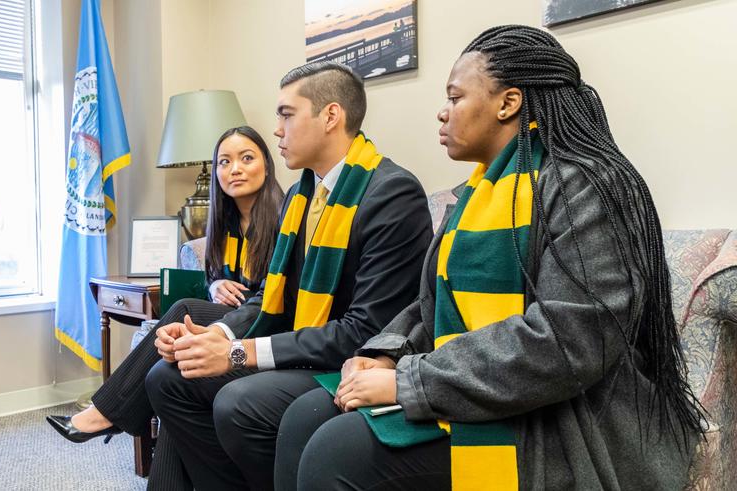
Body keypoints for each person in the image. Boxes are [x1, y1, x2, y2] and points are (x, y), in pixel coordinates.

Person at [275, 25, 705, 490]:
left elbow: (568, 341)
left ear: (508, 103)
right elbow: (432, 304)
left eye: (456, 98)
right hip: (480, 385)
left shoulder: (587, 185)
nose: (442, 112)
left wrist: (410, 380)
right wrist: (384, 353)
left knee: (336, 453)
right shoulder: (476, 193)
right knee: (304, 417)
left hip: (559, 417)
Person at [143, 61, 434, 490]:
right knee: (167, 379)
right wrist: (219, 336)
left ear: (330, 116)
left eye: (285, 114)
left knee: (238, 403)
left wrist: (238, 354)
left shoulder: (391, 193)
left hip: (348, 361)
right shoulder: (300, 195)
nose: (276, 129)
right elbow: (269, 296)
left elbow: (364, 331)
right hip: (302, 347)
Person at [46, 126, 285, 485]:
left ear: (266, 165)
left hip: (265, 334)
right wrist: (215, 282)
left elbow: (271, 299)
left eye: (246, 158)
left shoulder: (286, 220)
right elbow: (214, 281)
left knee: (184, 311)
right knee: (176, 374)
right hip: (231, 328)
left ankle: (106, 411)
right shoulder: (225, 225)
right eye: (224, 161)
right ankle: (112, 414)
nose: (234, 169)